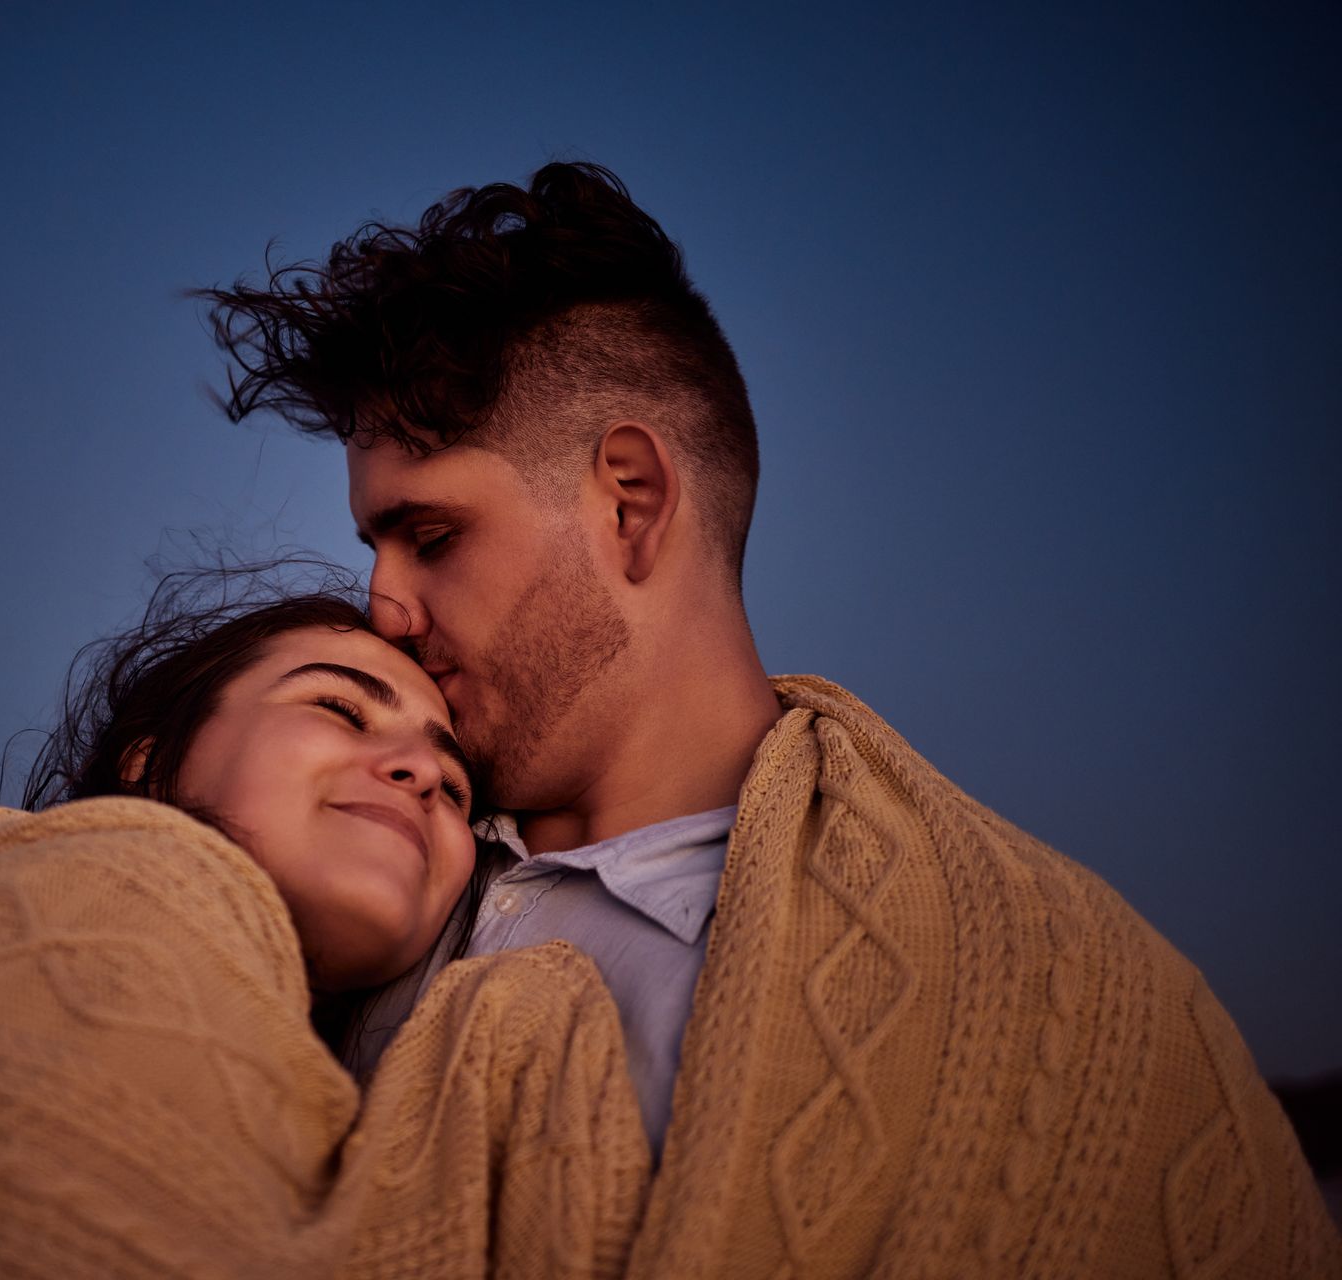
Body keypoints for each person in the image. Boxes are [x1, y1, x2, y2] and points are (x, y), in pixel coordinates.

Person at [199, 163, 1341, 1275]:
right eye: (375, 548)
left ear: (629, 500)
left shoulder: (1089, 1002)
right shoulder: (344, 854)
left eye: (432, 537)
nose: (381, 605)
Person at [0, 586, 653, 1279]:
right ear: (152, 764)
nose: (416, 770)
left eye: (456, 787)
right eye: (338, 707)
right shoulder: (89, 896)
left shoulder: (370, 1075)